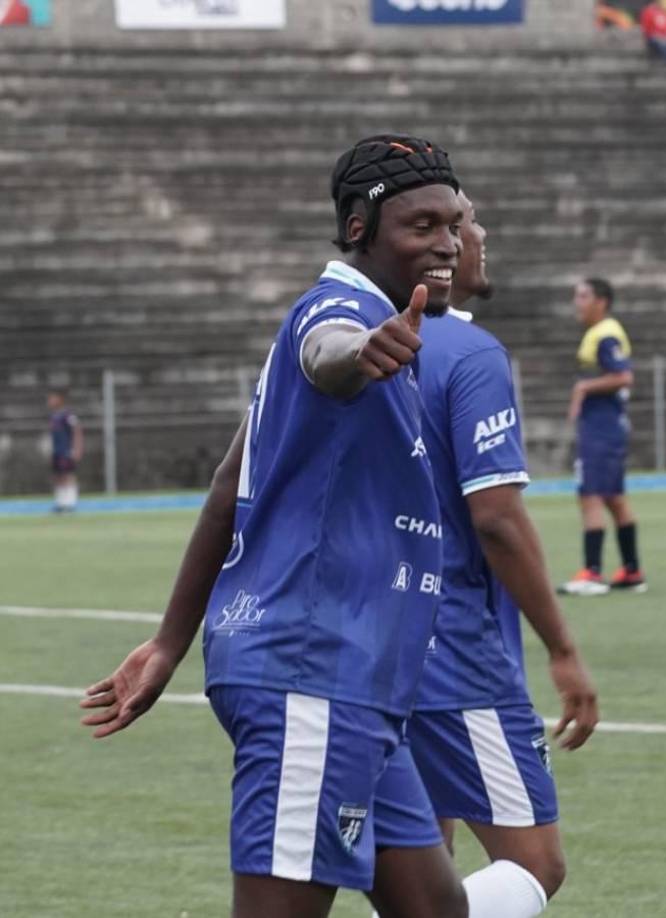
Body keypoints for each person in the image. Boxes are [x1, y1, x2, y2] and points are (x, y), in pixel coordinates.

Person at [79, 135, 481, 918]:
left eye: (455, 222)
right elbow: (328, 353)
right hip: (312, 671)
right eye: (421, 223)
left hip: (355, 680)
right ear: (359, 227)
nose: (445, 242)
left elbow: (232, 484)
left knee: (437, 909)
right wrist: (362, 352)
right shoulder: (343, 311)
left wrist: (169, 641)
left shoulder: (393, 322)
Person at [377, 191, 599, 918]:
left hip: (369, 642)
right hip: (454, 656)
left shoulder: (358, 342)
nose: (478, 232)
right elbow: (497, 518)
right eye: (463, 221)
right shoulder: (469, 355)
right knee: (535, 865)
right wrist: (563, 649)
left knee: (422, 870)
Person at [558, 278, 646, 595]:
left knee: (590, 494)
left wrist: (583, 388)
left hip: (602, 427)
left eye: (583, 296)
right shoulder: (602, 332)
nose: (577, 303)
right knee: (613, 497)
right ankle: (632, 570)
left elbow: (623, 376)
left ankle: (592, 573)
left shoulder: (606, 334)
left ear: (602, 301)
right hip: (606, 425)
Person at [47, 388, 83, 512]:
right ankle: (60, 503)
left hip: (66, 451)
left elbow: (76, 431)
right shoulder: (53, 416)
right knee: (58, 476)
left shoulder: (68, 415)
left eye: (52, 398)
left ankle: (70, 503)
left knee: (68, 475)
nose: (50, 401)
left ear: (59, 399)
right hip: (57, 451)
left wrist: (77, 449)